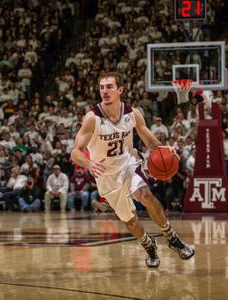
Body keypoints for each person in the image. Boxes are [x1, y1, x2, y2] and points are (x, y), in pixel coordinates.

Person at [70, 72, 194, 268]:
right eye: (102, 87)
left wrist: (164, 149)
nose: (105, 91)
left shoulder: (133, 113)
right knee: (130, 221)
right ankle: (148, 244)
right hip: (106, 176)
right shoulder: (92, 118)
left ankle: (172, 238)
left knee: (144, 194)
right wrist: (89, 164)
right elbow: (75, 153)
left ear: (120, 90)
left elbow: (150, 142)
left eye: (109, 86)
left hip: (129, 164)